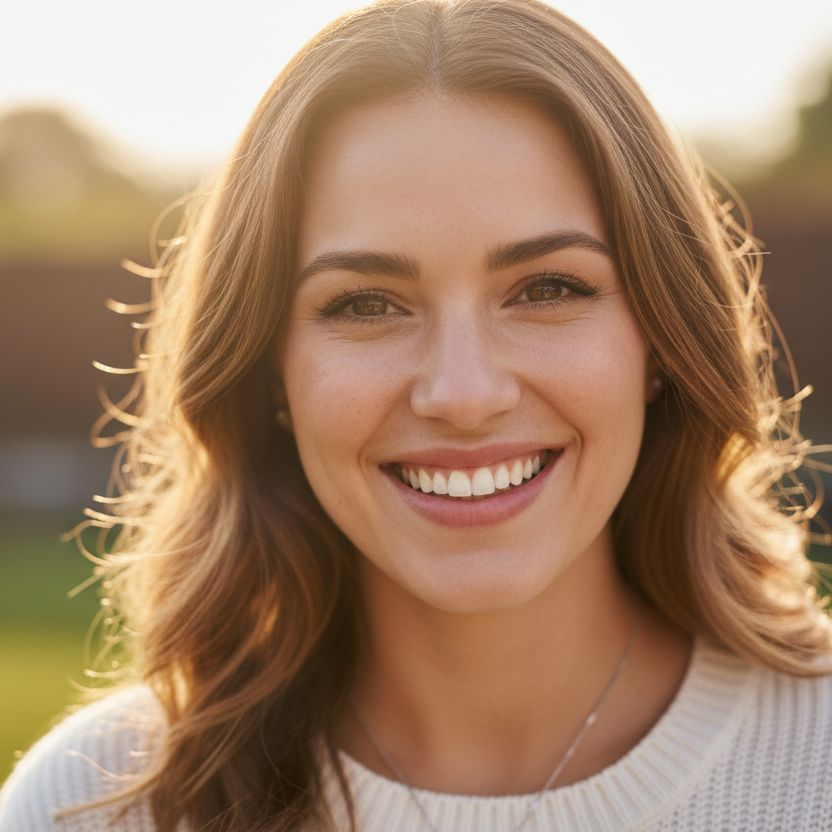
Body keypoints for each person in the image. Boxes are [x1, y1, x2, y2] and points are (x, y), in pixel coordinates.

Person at [2, 0, 831, 830]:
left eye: (548, 289)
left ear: (660, 340)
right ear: (270, 373)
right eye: (366, 304)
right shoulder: (89, 804)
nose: (463, 396)